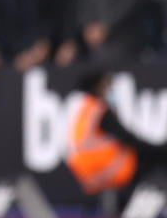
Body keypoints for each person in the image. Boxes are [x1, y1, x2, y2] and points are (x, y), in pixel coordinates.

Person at [67, 69, 167, 198]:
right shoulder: (99, 110)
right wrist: (159, 149)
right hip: (105, 166)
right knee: (155, 160)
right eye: (106, 85)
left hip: (85, 170)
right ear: (98, 87)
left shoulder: (84, 108)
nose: (110, 90)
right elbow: (128, 139)